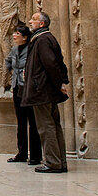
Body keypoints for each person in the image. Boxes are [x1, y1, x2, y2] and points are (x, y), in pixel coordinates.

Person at [21, 11, 69, 173]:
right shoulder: (44, 39)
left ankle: (53, 162)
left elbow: (51, 64)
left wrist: (59, 84)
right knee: (53, 125)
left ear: (42, 24)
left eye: (34, 19)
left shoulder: (42, 40)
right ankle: (59, 161)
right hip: (46, 90)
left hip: (42, 91)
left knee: (46, 126)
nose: (30, 21)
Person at [5, 25, 41, 165]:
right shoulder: (14, 49)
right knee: (21, 122)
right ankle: (21, 153)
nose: (14, 35)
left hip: (28, 89)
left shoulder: (31, 49)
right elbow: (8, 61)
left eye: (17, 33)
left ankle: (35, 155)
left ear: (25, 37)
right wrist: (13, 72)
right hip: (17, 87)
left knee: (32, 122)